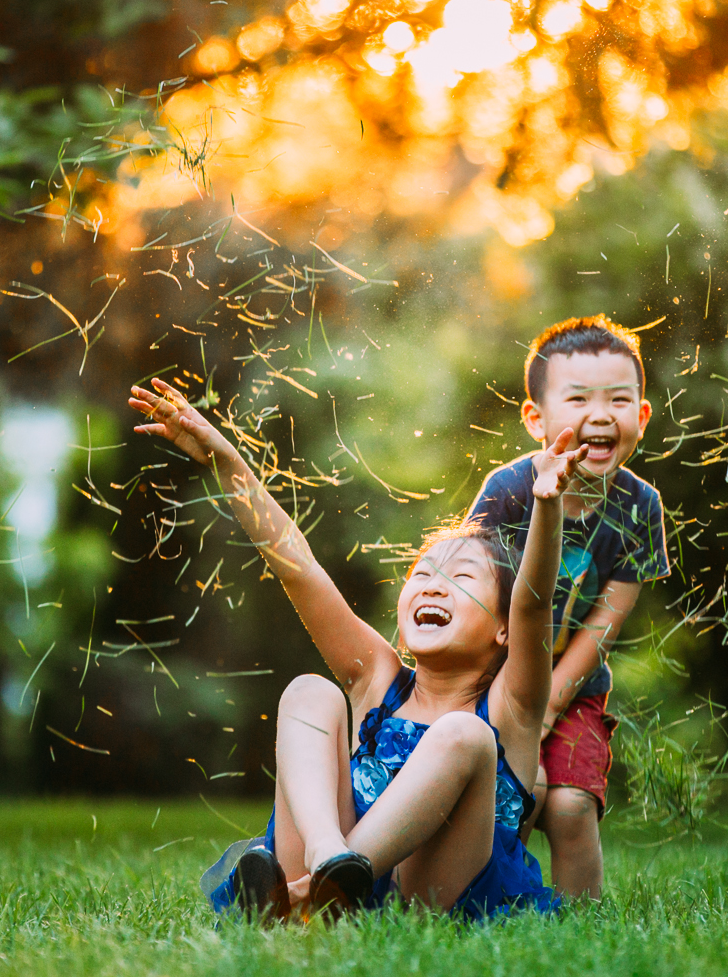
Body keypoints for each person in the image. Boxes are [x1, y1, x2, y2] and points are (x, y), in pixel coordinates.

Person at [128, 376, 586, 921]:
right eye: (422, 574)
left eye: (463, 578)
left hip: (434, 898)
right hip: (331, 859)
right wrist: (228, 462)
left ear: (503, 630)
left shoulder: (513, 705)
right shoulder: (378, 680)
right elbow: (299, 570)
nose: (434, 585)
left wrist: (547, 506)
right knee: (308, 693)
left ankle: (313, 893)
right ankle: (324, 865)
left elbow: (534, 604)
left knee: (464, 735)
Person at [468, 315, 671, 900]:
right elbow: (471, 589)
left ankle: (579, 929)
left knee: (572, 804)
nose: (601, 413)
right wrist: (517, 705)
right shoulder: (507, 491)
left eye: (619, 399)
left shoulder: (639, 507)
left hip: (575, 688)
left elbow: (607, 620)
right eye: (578, 398)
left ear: (642, 415)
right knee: (518, 793)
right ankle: (490, 902)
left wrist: (553, 700)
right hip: (496, 679)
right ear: (537, 418)